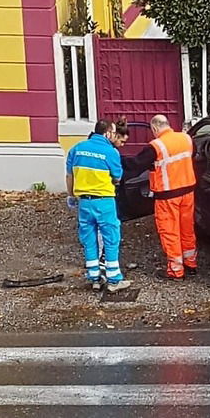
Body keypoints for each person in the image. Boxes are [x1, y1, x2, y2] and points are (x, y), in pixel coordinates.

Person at [125, 115, 197, 280]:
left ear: (155, 129)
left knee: (170, 232)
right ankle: (191, 263)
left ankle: (176, 270)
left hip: (167, 195)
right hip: (188, 192)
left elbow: (136, 165)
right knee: (187, 229)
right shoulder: (186, 139)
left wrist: (118, 162)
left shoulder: (156, 146)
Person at [65, 119, 131, 293]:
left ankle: (94, 278)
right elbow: (117, 177)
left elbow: (70, 176)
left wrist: (71, 195)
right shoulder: (110, 152)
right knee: (111, 239)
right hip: (104, 201)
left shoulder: (76, 149)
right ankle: (114, 279)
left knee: (89, 240)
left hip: (84, 203)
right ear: (108, 132)